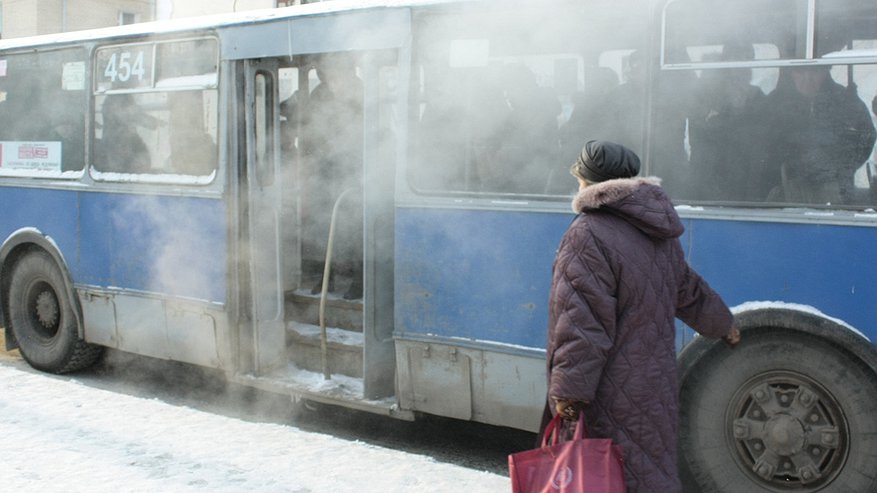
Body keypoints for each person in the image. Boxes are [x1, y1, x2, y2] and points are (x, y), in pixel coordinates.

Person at [542, 140, 741, 493]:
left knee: (610, 475)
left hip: (610, 390)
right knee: (650, 470)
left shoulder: (587, 234)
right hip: (655, 382)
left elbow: (582, 323)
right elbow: (688, 289)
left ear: (587, 182)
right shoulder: (657, 230)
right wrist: (723, 324)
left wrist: (569, 393)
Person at [764, 65, 876, 204]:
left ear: (825, 71)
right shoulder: (775, 103)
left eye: (815, 71)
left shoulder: (846, 100)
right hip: (785, 186)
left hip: (836, 187)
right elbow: (761, 144)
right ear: (791, 73)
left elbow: (866, 137)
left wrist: (841, 168)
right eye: (800, 71)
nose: (807, 78)